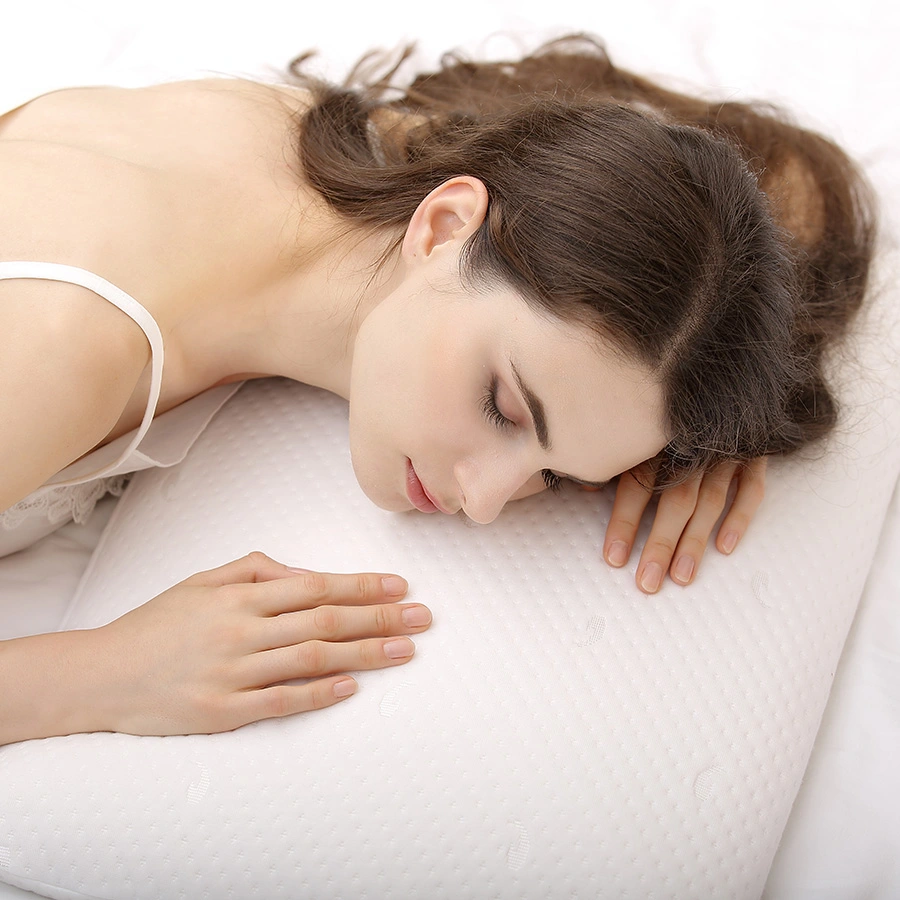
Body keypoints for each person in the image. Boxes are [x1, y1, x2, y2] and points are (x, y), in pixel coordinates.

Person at [0, 35, 874, 745]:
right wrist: (106, 675)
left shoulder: (402, 162)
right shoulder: (60, 349)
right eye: (505, 407)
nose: (487, 504)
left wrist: (711, 416)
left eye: (556, 476)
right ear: (445, 224)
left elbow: (789, 185)